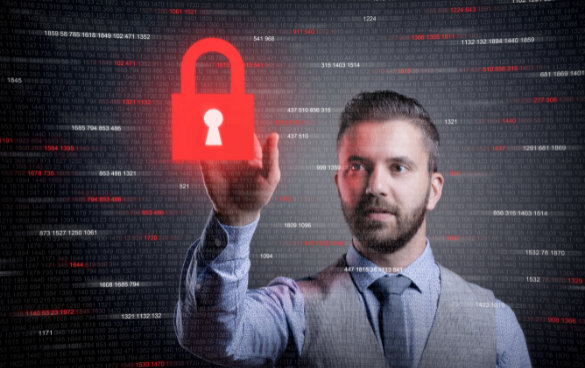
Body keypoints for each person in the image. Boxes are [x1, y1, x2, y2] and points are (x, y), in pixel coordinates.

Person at [174, 91, 532, 368]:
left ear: (434, 189)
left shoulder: (496, 321)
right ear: (339, 183)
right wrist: (235, 217)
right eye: (357, 166)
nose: (375, 185)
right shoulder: (294, 307)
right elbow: (209, 338)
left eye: (399, 167)